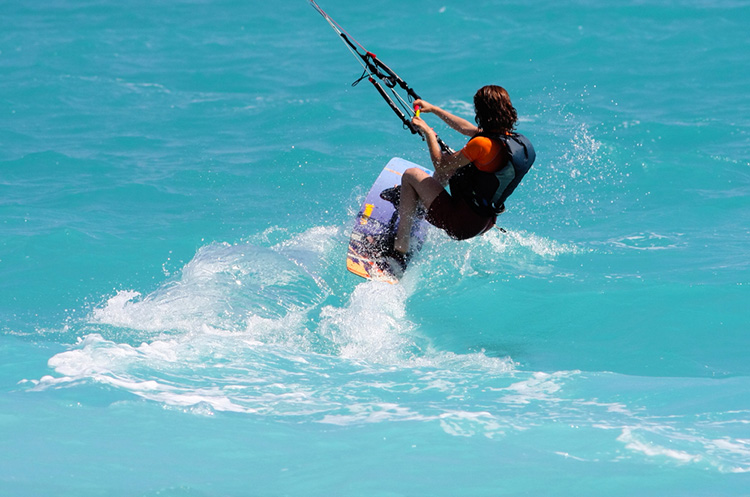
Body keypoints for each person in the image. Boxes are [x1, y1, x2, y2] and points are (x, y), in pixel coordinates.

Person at [386, 85, 535, 272]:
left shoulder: (482, 144)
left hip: (461, 224)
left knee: (411, 175)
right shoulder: (511, 140)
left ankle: (400, 249)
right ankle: (420, 206)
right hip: (484, 220)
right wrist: (434, 110)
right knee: (455, 165)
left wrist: (428, 132)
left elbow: (440, 165)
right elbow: (467, 129)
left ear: (481, 111)